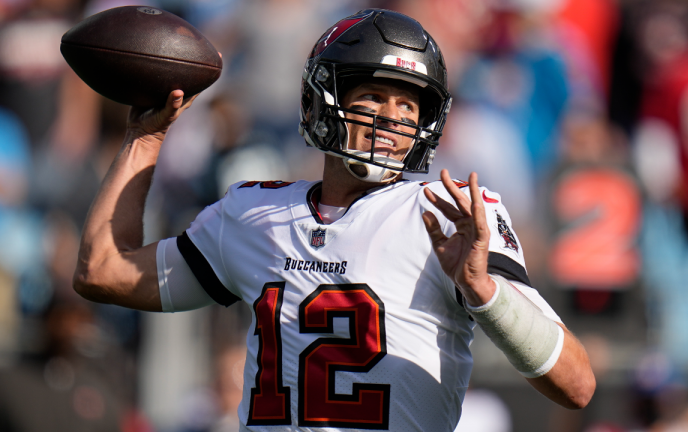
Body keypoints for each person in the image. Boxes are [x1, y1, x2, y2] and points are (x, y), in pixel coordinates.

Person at [73, 9, 595, 431]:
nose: (392, 118)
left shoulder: (445, 215)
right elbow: (102, 272)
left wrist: (485, 292)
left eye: (409, 107)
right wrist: (145, 139)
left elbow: (577, 385)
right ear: (322, 99)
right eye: (372, 95)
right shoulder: (255, 212)